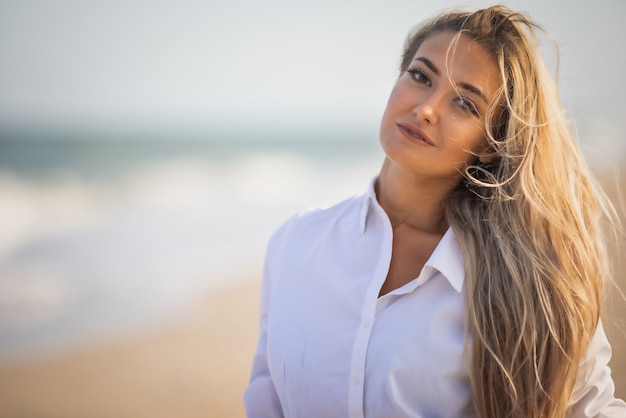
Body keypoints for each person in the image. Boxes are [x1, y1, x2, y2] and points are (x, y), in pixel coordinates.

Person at [244, 4, 626, 417]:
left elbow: (591, 408)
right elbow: (267, 402)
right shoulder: (296, 243)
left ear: (489, 143)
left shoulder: (531, 279)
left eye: (464, 103)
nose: (426, 108)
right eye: (421, 76)